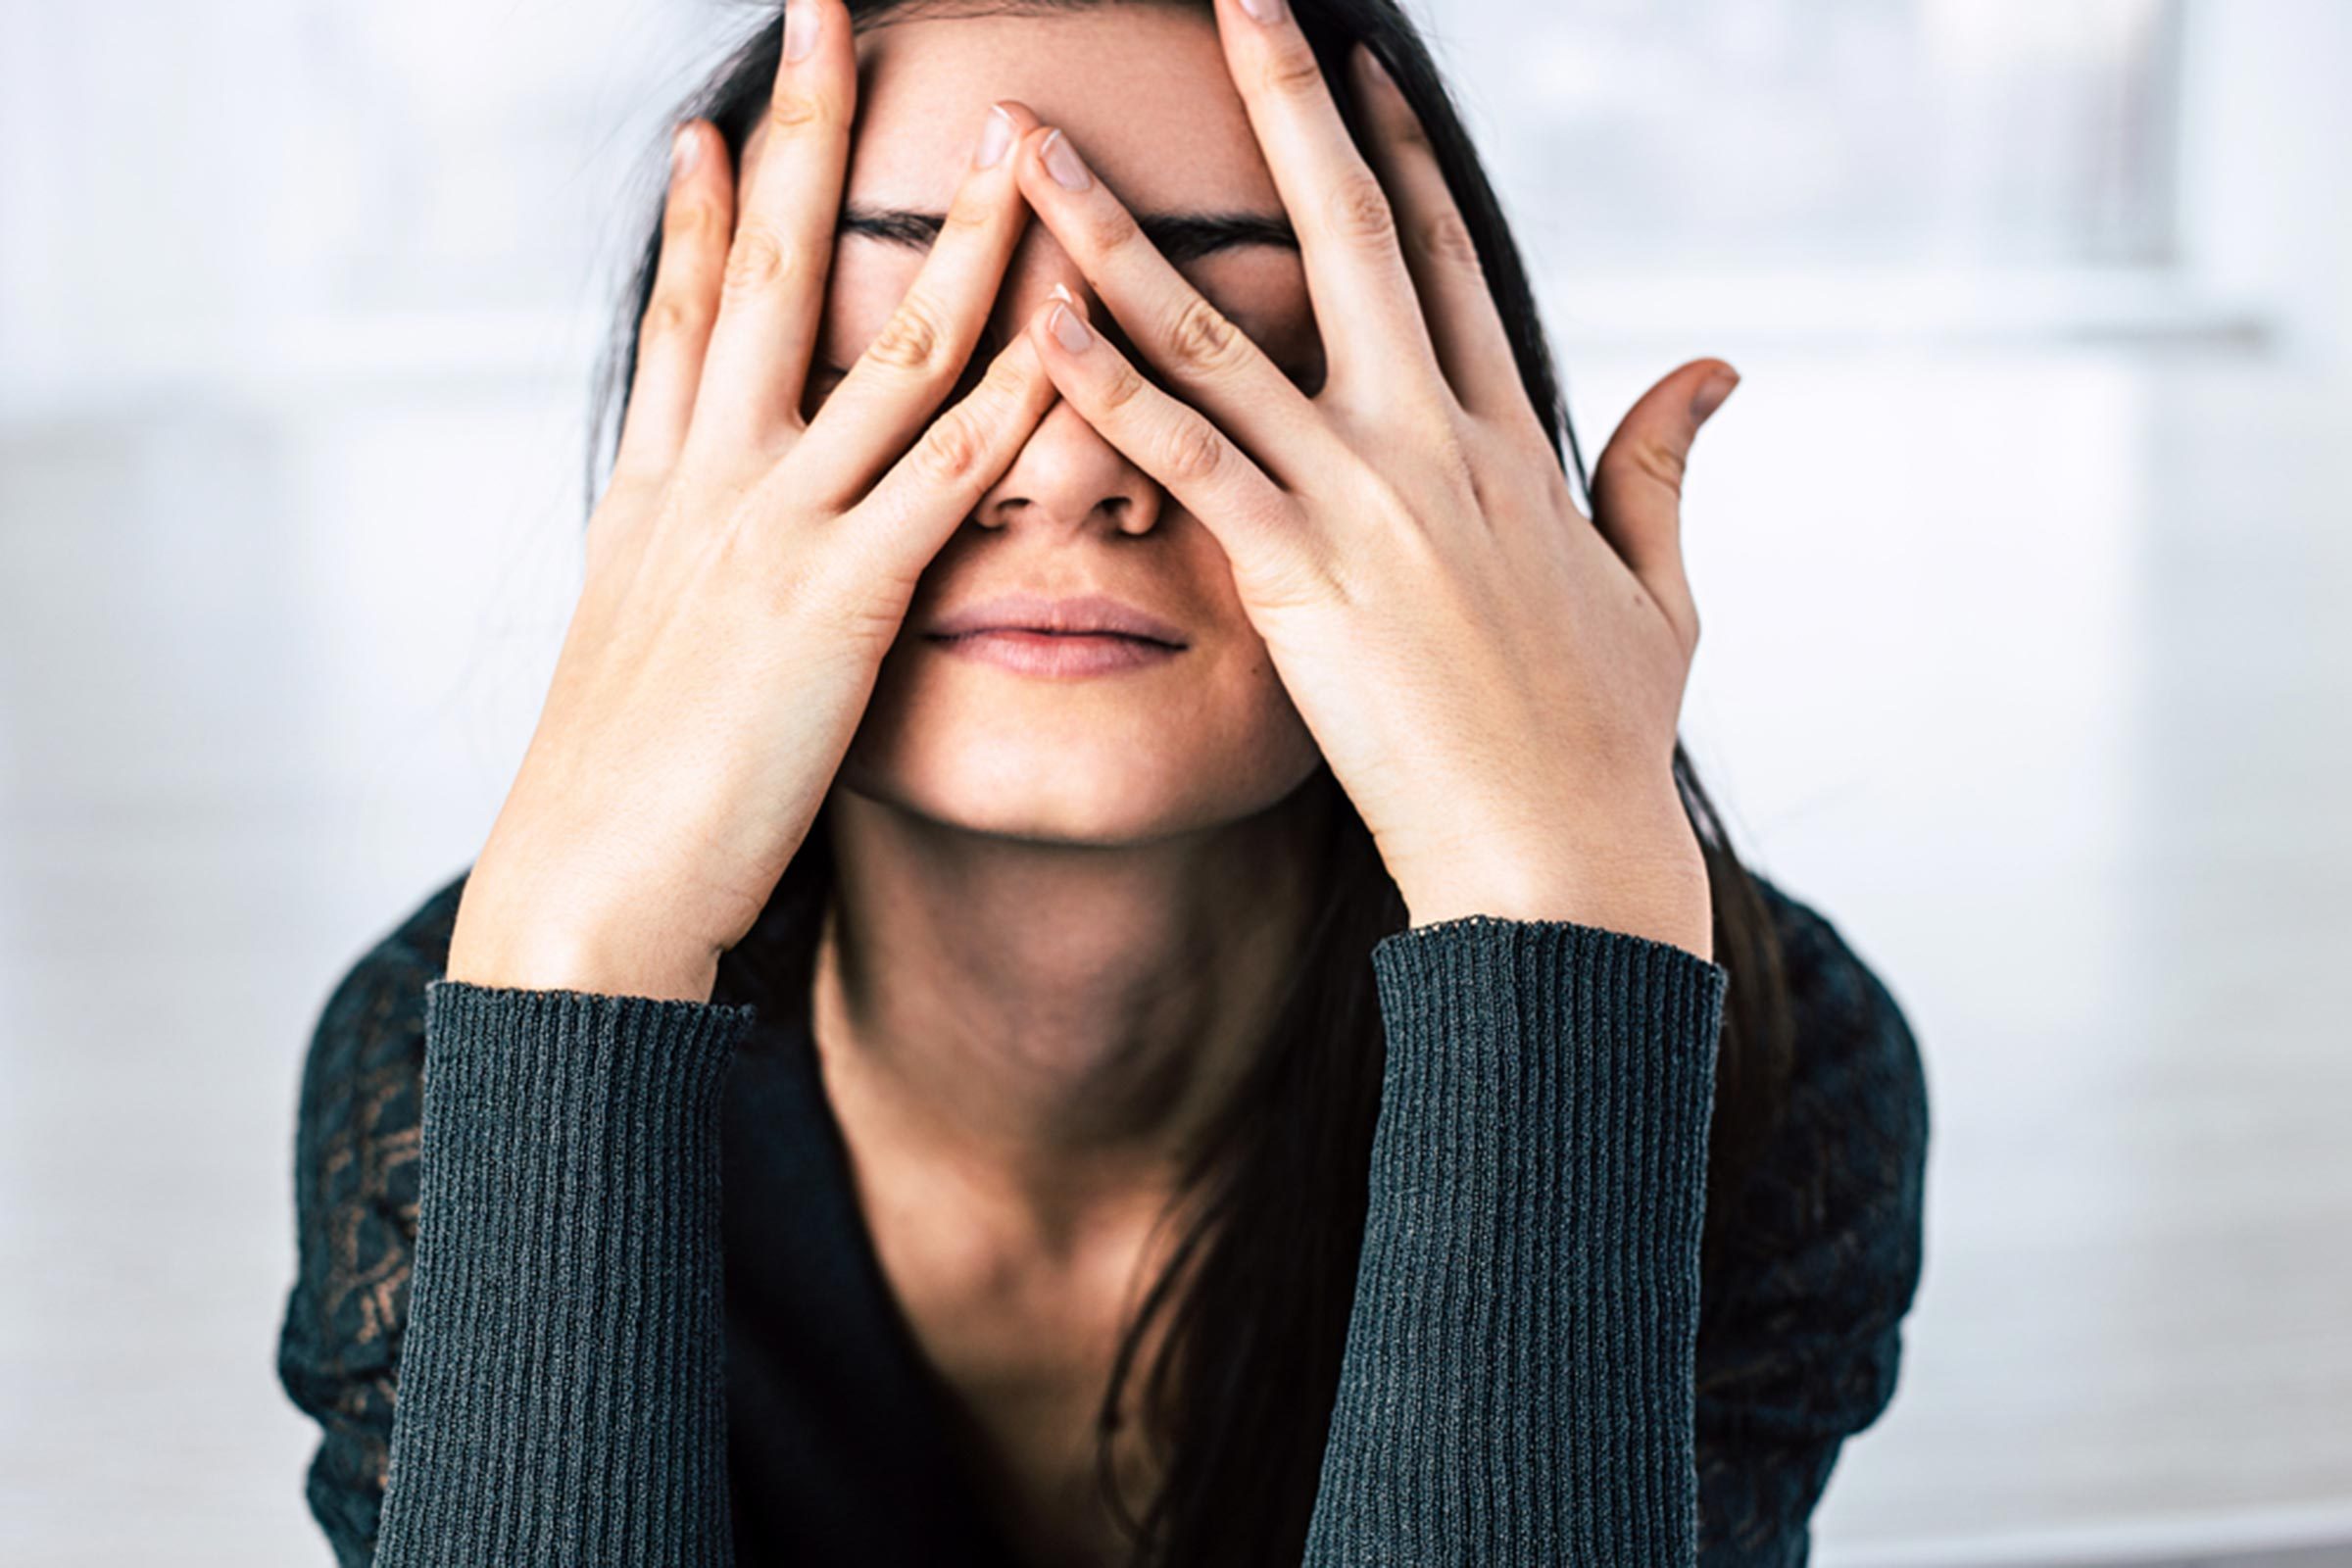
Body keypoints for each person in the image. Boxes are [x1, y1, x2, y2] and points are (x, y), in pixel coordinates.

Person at [276, 0, 1931, 1563]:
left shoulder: (1754, 1062)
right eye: (916, 350)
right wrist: (577, 965)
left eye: (1207, 339)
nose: (1067, 464)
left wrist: (1563, 909)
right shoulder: (438, 1064)